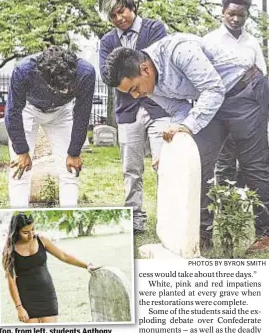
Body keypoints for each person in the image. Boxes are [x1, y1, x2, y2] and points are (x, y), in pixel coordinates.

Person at [103, 33, 269, 252]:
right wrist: (173, 150)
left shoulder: (179, 50)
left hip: (244, 89)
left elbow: (214, 89)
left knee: (252, 164)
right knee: (197, 163)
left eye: (134, 88)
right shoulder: (148, 84)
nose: (136, 95)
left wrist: (188, 126)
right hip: (211, 102)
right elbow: (179, 110)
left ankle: (266, 233)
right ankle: (201, 236)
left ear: (145, 69)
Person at [99, 0, 170, 233]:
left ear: (132, 6)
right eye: (113, 17)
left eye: (122, 11)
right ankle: (135, 219)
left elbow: (155, 65)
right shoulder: (107, 41)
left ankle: (168, 218)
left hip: (159, 107)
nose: (119, 19)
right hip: (127, 111)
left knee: (165, 164)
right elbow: (109, 76)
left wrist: (127, 67)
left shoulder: (155, 29)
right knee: (131, 169)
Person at [5, 45, 95, 208]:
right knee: (19, 169)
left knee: (70, 170)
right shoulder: (24, 70)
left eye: (68, 85)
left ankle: (70, 216)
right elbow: (13, 111)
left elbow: (82, 112)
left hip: (62, 112)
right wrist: (21, 151)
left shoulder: (86, 73)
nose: (65, 90)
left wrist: (74, 152)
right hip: (28, 109)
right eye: (59, 86)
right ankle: (18, 222)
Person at [204, 0, 268, 186]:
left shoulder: (252, 42)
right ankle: (226, 211)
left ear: (247, 15)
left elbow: (262, 76)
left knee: (254, 164)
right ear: (223, 12)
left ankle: (259, 213)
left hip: (248, 109)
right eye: (231, 14)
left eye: (241, 15)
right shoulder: (209, 41)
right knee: (224, 161)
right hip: (220, 108)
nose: (235, 19)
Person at [2, 212, 98, 324]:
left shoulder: (42, 240)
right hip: (26, 298)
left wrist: (86, 265)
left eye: (33, 229)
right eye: (25, 232)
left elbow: (64, 256)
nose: (31, 235)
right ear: (16, 231)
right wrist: (19, 307)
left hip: (46, 294)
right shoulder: (9, 250)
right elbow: (10, 280)